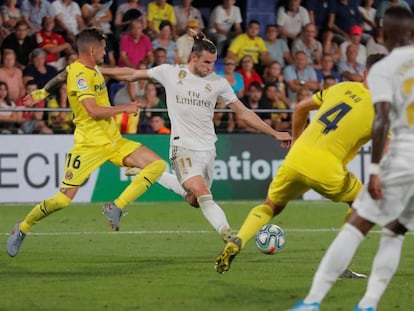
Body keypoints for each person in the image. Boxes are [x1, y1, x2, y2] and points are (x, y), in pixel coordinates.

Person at [101, 32, 291, 243]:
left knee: (195, 199)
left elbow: (244, 112)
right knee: (201, 190)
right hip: (182, 147)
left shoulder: (218, 83)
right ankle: (229, 236)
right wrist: (99, 70)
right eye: (207, 62)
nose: (211, 67)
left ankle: (151, 174)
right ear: (193, 58)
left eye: (214, 62)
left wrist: (274, 132)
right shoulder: (169, 73)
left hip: (208, 149)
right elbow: (132, 74)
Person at [214, 53, 386, 278]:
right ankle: (339, 265)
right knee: (363, 205)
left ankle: (239, 240)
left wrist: (296, 141)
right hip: (327, 168)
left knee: (271, 205)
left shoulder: (341, 87)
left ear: (364, 73)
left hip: (296, 159)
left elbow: (300, 108)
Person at [288, 7, 414, 311]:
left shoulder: (386, 69)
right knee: (394, 233)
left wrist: (374, 170)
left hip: (400, 159)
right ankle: (368, 302)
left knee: (358, 225)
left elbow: (381, 120)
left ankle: (313, 301)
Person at [6, 28, 167, 257]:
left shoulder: (90, 70)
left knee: (158, 165)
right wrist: (126, 107)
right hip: (88, 146)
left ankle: (116, 207)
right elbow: (92, 111)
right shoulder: (81, 76)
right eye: (103, 48)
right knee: (62, 201)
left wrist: (43, 92)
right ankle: (21, 229)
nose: (106, 51)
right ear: (92, 50)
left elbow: (62, 75)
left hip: (113, 140)